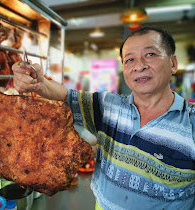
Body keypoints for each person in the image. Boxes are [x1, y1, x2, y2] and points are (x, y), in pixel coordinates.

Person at [12, 27, 195, 210]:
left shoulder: (191, 122)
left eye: (150, 54)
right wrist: (39, 83)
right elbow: (65, 96)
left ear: (173, 63)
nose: (139, 66)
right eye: (129, 59)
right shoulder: (108, 106)